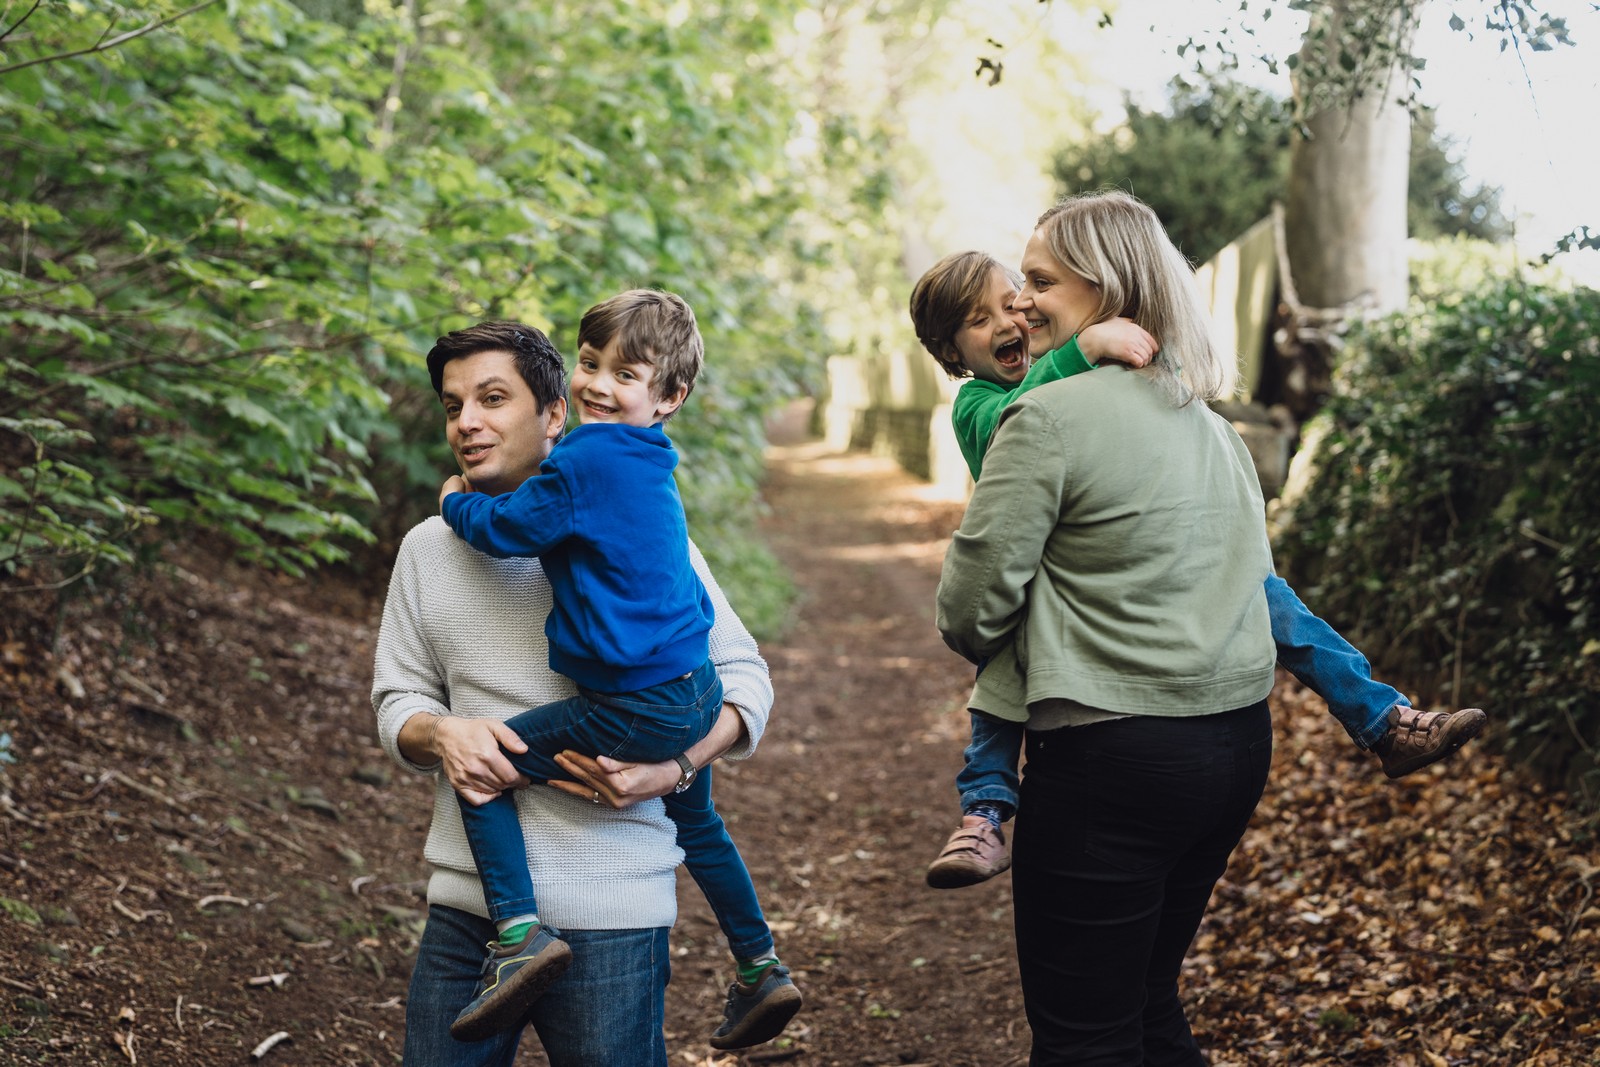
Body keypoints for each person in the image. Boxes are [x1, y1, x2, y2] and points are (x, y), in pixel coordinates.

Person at [933, 190, 1459, 1064]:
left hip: (1112, 761)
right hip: (1233, 752)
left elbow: (969, 610)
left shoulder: (1045, 417)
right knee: (1148, 1004)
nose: (1021, 302)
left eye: (1038, 281)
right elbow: (1252, 591)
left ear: (1107, 287)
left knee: (1086, 1037)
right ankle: (1384, 716)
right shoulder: (1210, 425)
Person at [910, 249, 1487, 891]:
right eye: (979, 320)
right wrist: (1085, 347)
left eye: (1012, 297)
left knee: (1275, 601)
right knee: (998, 681)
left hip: (1158, 561)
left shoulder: (1095, 377)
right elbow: (1016, 425)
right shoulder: (979, 401)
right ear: (953, 352)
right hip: (1043, 582)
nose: (1009, 319)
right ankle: (985, 812)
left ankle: (1382, 719)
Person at [371, 318, 779, 1066]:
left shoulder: (638, 523)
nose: (468, 422)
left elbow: (744, 676)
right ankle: (754, 962)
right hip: (466, 914)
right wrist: (444, 733)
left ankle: (756, 964)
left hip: (615, 910)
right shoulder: (427, 549)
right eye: (454, 405)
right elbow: (396, 700)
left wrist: (676, 769)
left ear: (555, 412)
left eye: (493, 398)